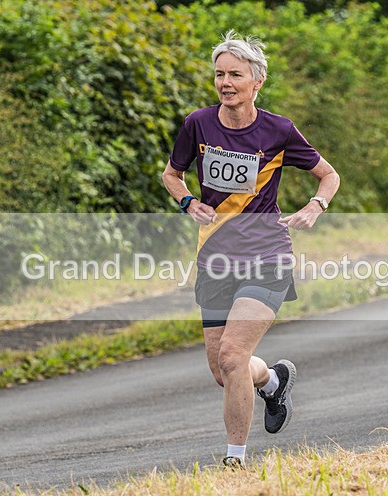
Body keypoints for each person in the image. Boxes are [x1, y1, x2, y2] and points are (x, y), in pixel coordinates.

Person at [161, 30, 340, 468]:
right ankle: (273, 380)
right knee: (224, 372)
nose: (225, 82)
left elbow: (328, 175)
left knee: (232, 355)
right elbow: (171, 174)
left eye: (235, 75)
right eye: (220, 74)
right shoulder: (197, 124)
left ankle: (234, 461)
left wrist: (315, 207)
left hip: (267, 254)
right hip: (216, 257)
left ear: (256, 81)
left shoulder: (278, 129)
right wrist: (188, 200)